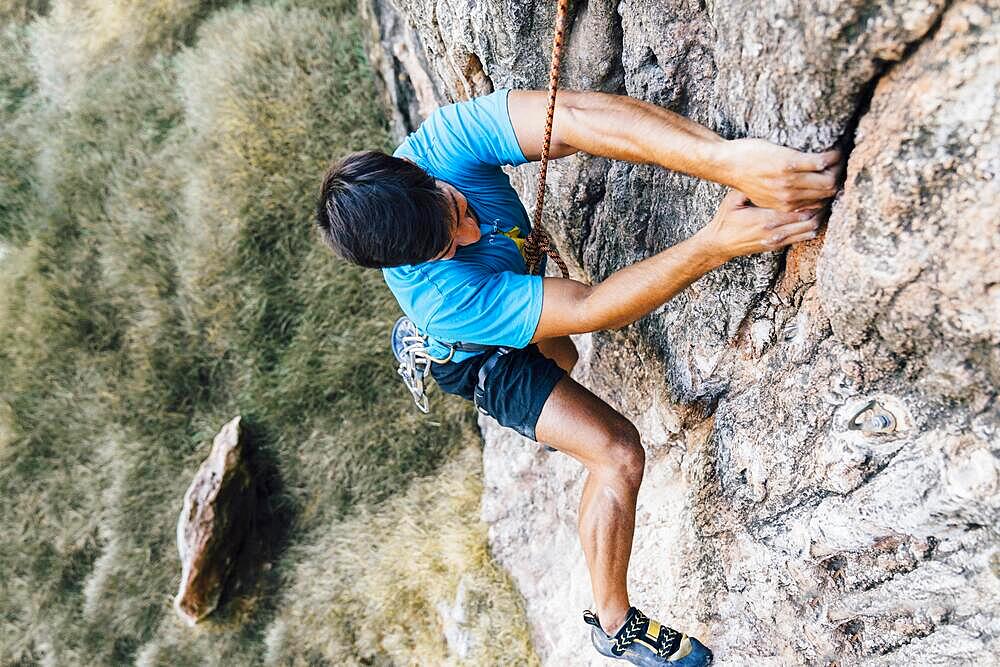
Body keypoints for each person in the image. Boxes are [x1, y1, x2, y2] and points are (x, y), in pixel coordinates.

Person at [315, 89, 840, 666]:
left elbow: (570, 118)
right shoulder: (445, 297)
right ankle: (616, 625)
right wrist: (714, 245)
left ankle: (518, 325)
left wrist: (727, 161)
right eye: (446, 247)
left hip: (500, 293)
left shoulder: (442, 142)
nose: (467, 236)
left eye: (455, 210)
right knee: (615, 452)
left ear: (419, 172)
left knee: (561, 356)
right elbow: (590, 305)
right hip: (474, 356)